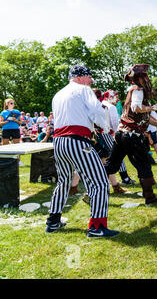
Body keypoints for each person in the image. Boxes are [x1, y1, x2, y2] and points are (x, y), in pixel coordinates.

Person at [45, 65, 120, 238]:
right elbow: (97, 111)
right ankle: (97, 227)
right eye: (89, 76)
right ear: (80, 77)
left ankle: (53, 221)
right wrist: (106, 127)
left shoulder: (58, 95)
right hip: (77, 140)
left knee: (63, 181)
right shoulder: (83, 90)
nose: (91, 81)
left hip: (59, 142)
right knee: (100, 182)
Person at [104, 64, 157, 206]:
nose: (147, 78)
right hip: (132, 136)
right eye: (145, 75)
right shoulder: (138, 90)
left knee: (111, 165)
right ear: (140, 77)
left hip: (122, 134)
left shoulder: (133, 91)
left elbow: (142, 116)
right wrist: (153, 107)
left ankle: (91, 193)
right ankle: (150, 198)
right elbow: (136, 108)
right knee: (144, 166)